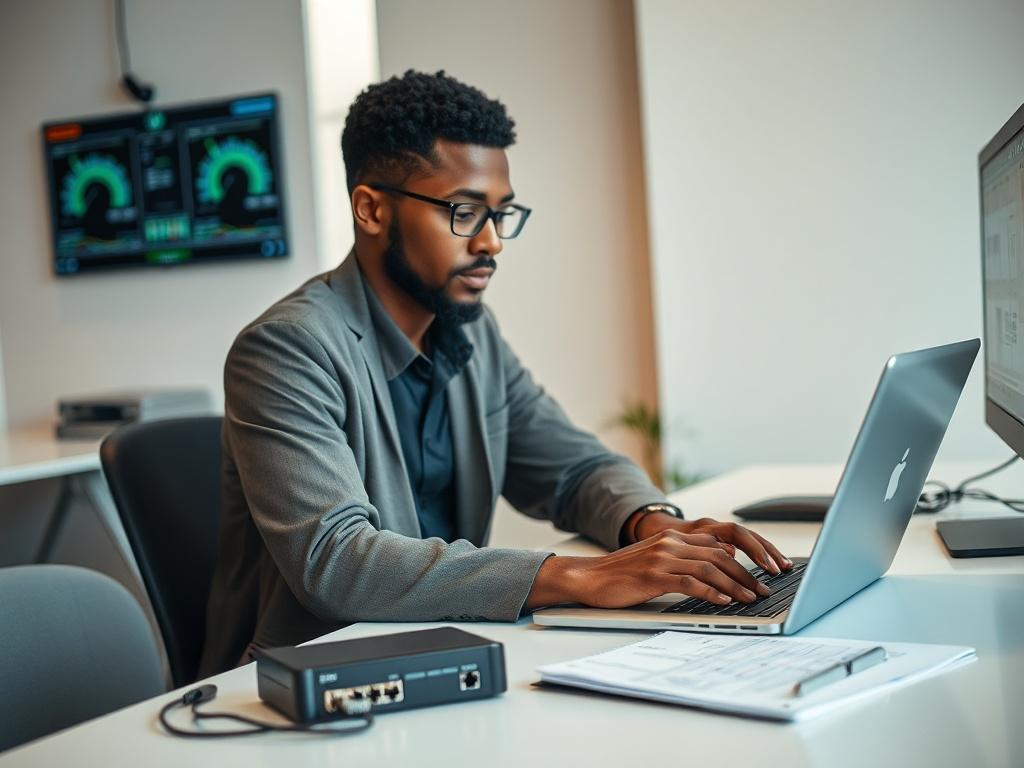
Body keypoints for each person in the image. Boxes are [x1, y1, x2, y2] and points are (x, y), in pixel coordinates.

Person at [198, 70, 790, 676]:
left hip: (445, 653)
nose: (491, 243)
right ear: (371, 210)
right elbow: (338, 563)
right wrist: (582, 575)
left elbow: (575, 470)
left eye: (501, 215)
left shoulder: (471, 333)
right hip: (303, 681)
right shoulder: (285, 349)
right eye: (463, 212)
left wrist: (658, 533)